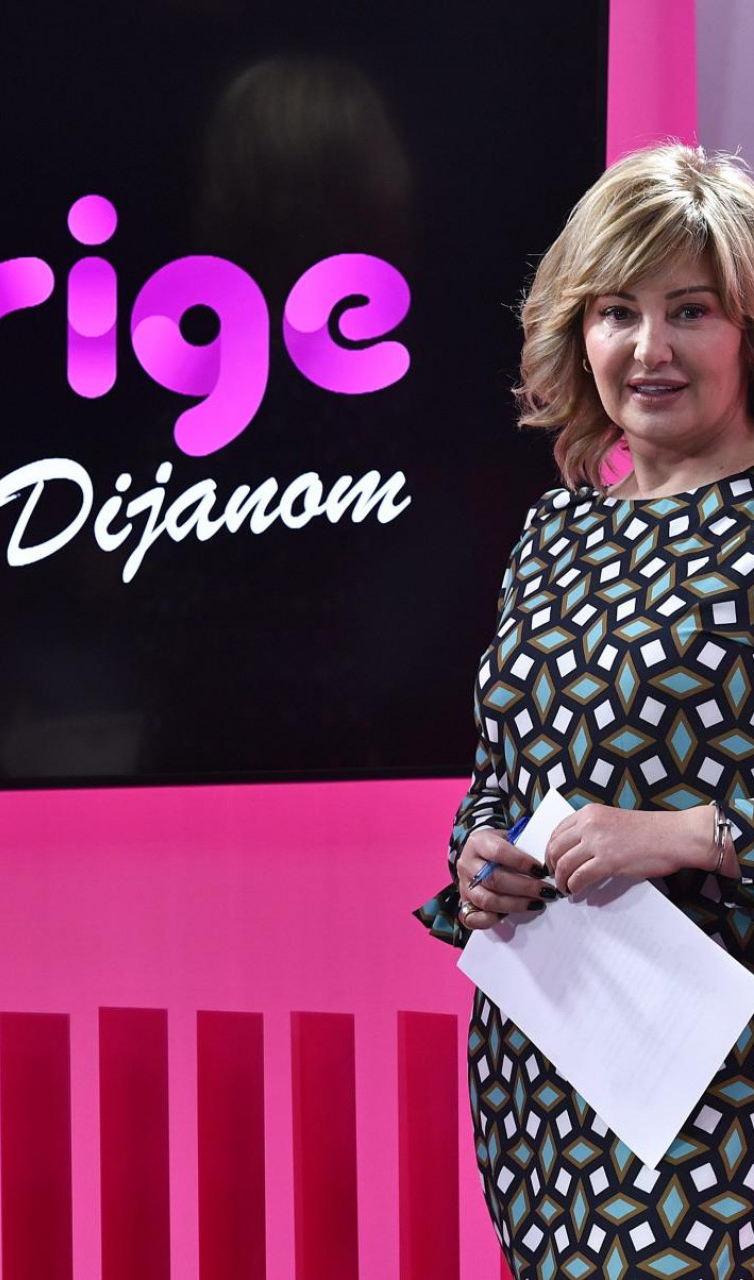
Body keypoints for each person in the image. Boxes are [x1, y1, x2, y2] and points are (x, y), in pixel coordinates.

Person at [417, 144, 754, 1279]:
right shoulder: (554, 535)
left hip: (725, 1092)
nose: (649, 349)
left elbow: (674, 818)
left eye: (690, 311)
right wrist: (479, 853)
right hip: (550, 1075)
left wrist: (691, 834)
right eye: (617, 312)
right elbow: (508, 768)